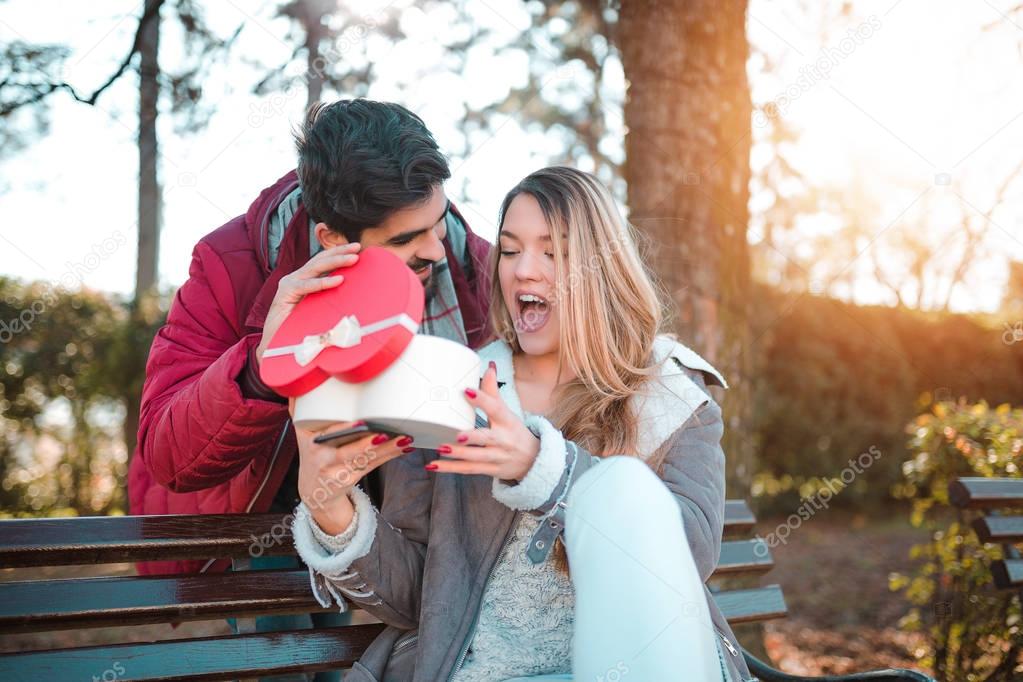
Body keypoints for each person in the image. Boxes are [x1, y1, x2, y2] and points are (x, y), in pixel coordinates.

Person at [290, 166, 755, 681]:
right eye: (509, 251)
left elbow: (686, 556)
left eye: (553, 252)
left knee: (624, 488)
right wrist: (334, 513)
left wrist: (544, 470)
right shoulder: (451, 391)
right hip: (488, 672)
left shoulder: (669, 394)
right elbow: (424, 597)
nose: (524, 271)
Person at [126, 99, 493, 681]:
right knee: (293, 660)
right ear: (331, 237)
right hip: (271, 522)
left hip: (408, 527)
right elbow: (167, 452)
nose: (435, 248)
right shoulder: (231, 264)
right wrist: (261, 366)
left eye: (440, 221)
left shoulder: (471, 265)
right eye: (406, 241)